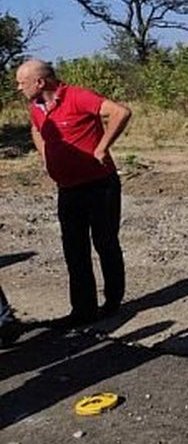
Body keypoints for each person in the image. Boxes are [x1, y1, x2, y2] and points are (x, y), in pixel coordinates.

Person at [15, 59, 131, 328]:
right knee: (74, 249)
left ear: (40, 82)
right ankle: (83, 310)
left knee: (105, 243)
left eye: (22, 82)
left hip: (99, 184)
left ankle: (113, 302)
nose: (18, 88)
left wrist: (102, 147)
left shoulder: (78, 97)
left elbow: (121, 112)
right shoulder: (36, 108)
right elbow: (36, 130)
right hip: (67, 189)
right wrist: (46, 155)